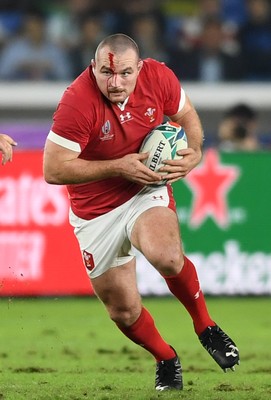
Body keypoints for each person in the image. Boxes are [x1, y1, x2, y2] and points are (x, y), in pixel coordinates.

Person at [43, 33, 240, 391]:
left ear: (140, 68)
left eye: (125, 73)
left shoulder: (159, 77)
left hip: (144, 188)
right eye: (106, 72)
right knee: (124, 311)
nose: (115, 82)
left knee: (165, 256)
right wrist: (119, 166)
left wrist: (195, 150)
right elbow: (53, 170)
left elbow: (187, 114)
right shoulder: (77, 101)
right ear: (93, 67)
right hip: (95, 211)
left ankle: (205, 326)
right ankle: (166, 358)